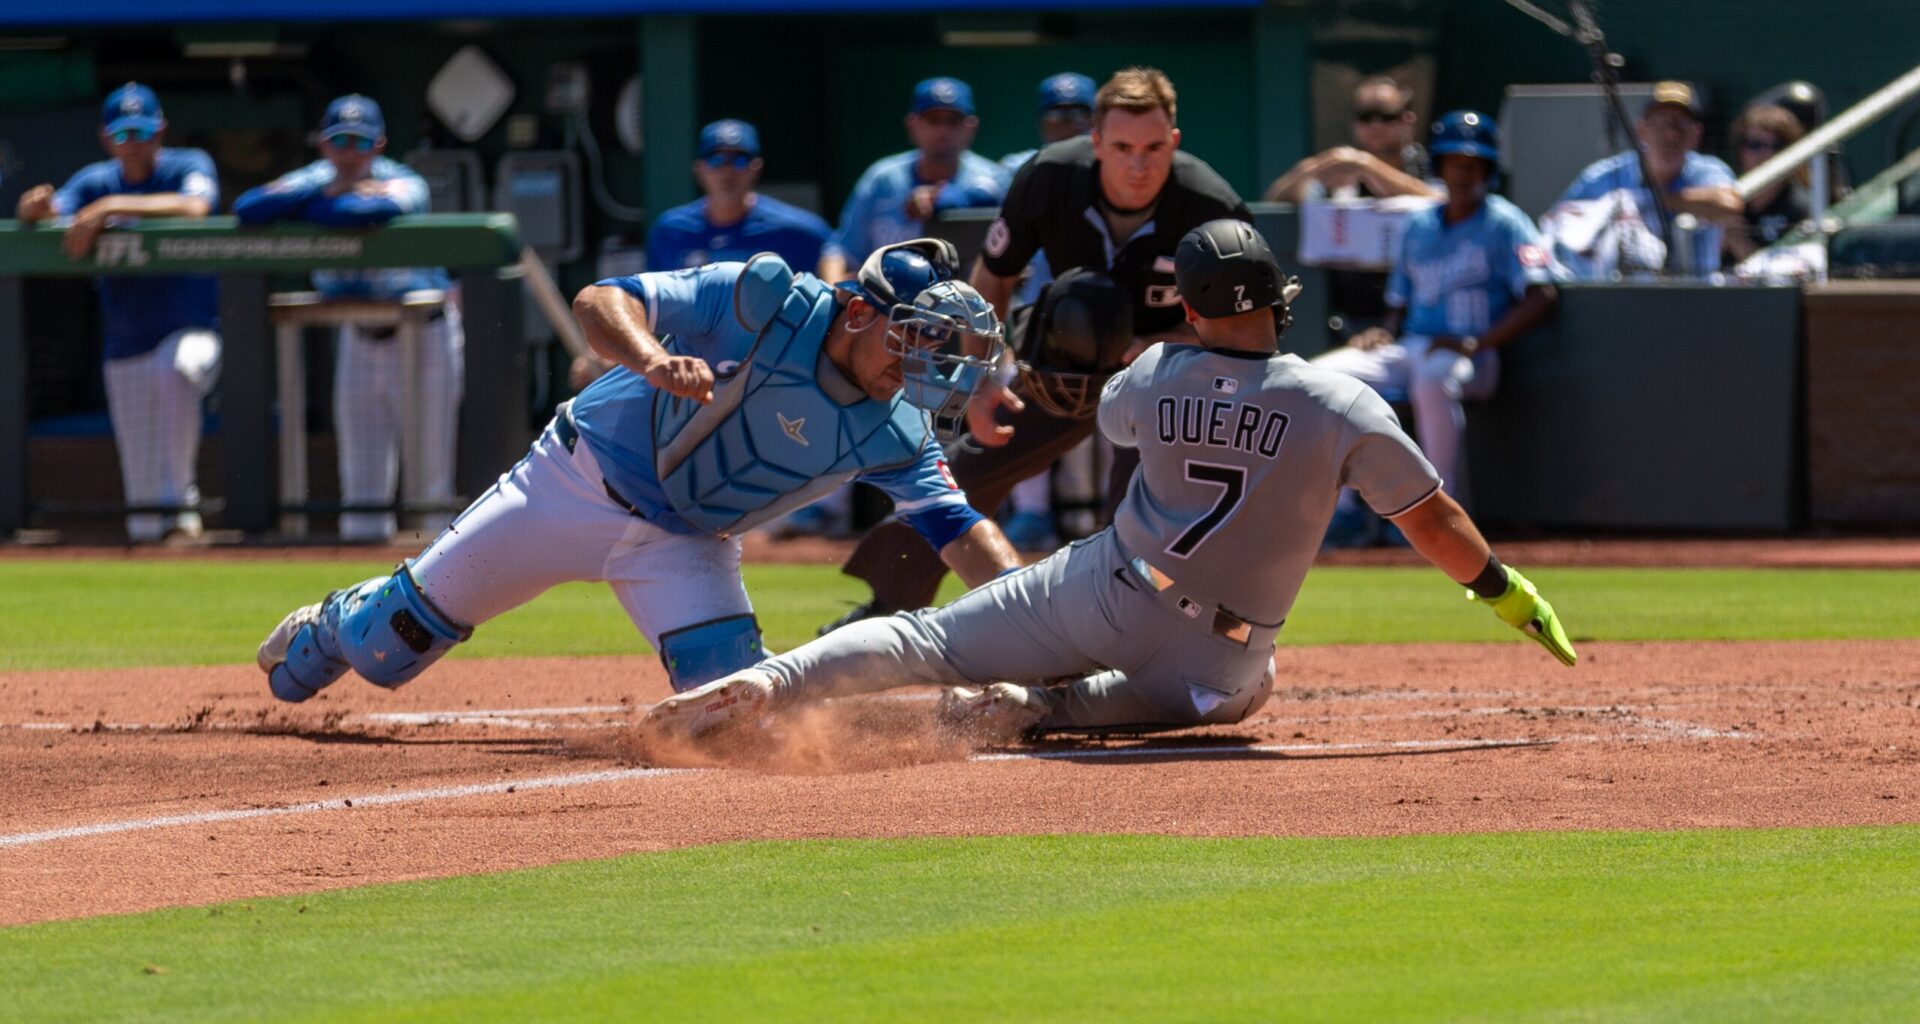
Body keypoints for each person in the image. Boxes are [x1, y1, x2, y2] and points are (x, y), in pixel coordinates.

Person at [641, 220, 1576, 744]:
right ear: (1278, 300)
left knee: (925, 640)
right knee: (1241, 695)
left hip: (1107, 590)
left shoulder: (1154, 374)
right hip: (1217, 664)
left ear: (1193, 304)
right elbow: (1433, 519)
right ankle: (1037, 708)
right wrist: (1504, 592)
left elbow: (1124, 412)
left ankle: (772, 684)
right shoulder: (1345, 401)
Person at [256, 239, 1022, 703]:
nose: (925, 367)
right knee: (386, 651)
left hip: (684, 541)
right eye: (916, 341)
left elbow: (960, 533)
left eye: (940, 351)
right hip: (571, 483)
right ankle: (335, 621)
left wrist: (1036, 622)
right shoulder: (766, 300)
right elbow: (601, 301)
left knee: (732, 714)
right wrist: (654, 359)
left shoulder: (900, 428)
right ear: (860, 314)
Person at [819, 66, 1252, 630]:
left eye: (1152, 147)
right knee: (966, 473)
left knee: (1138, 514)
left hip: (1165, 372)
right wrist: (978, 382)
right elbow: (993, 280)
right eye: (1121, 147)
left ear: (1174, 142)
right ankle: (888, 606)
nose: (1138, 165)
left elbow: (1244, 326)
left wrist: (1162, 342)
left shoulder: (1210, 204)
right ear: (1096, 143)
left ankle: (1153, 630)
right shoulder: (1050, 177)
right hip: (1062, 362)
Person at [1312, 111, 1559, 535]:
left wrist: (1477, 343)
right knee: (1323, 377)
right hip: (1414, 344)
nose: (1463, 173)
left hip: (1475, 355)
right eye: (1454, 163)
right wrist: (1384, 330)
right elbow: (1398, 304)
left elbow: (1543, 295)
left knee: (1432, 378)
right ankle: (1346, 509)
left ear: (1488, 169)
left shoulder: (1505, 221)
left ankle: (1440, 511)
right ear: (1440, 166)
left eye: (1473, 164)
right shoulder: (1419, 224)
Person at [234, 95, 464, 543]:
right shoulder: (317, 178)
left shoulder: (405, 181)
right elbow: (249, 207)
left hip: (424, 336)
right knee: (360, 478)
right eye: (340, 141)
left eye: (360, 142)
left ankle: (435, 592)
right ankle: (363, 593)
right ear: (323, 144)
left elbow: (369, 212)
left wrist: (309, 205)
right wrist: (325, 194)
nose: (349, 152)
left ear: (379, 145)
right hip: (358, 336)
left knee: (429, 477)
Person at [15, 82, 221, 544]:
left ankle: (185, 506)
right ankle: (162, 549)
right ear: (108, 137)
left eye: (143, 131)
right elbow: (51, 215)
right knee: (143, 511)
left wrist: (111, 208)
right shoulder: (94, 180)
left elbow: (196, 205)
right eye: (124, 133)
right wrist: (32, 210)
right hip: (127, 338)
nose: (135, 142)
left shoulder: (187, 165)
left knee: (179, 368)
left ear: (161, 129)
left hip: (192, 328)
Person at [572, 119, 834, 394]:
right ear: (700, 169)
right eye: (716, 159)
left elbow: (836, 269)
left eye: (739, 161)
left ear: (756, 168)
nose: (727, 172)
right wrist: (609, 355)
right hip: (691, 370)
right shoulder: (670, 230)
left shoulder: (799, 230)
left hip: (770, 370)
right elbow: (646, 308)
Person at [1263, 75, 1444, 344]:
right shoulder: (1344, 174)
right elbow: (1272, 204)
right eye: (1365, 116)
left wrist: (1368, 166)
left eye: (1386, 116)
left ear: (1408, 119)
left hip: (1420, 315)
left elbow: (1444, 201)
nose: (1375, 126)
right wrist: (1310, 171)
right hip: (1350, 315)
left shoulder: (1427, 164)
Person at [817, 77, 1008, 283]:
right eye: (932, 119)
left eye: (952, 121)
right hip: (888, 306)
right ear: (912, 124)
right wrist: (833, 292)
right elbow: (840, 251)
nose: (942, 130)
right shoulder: (882, 179)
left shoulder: (992, 179)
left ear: (971, 127)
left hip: (967, 306)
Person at [1553, 81, 1741, 275]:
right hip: (1621, 291)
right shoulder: (1607, 174)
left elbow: (1730, 204)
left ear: (1696, 134)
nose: (1671, 135)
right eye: (1661, 124)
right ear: (1641, 130)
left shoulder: (1706, 170)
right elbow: (1557, 224)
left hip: (1698, 295)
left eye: (1681, 125)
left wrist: (1650, 201)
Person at [1723, 104, 1812, 264]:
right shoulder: (1724, 200)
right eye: (1755, 145)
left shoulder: (1801, 209)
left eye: (1777, 147)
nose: (1766, 154)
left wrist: (1740, 244)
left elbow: (1790, 274)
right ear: (1740, 150)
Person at [999, 72, 1097, 176]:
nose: (1067, 123)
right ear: (1041, 123)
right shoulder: (1016, 168)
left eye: (1079, 113)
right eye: (1056, 114)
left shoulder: (1108, 167)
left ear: (1096, 121)